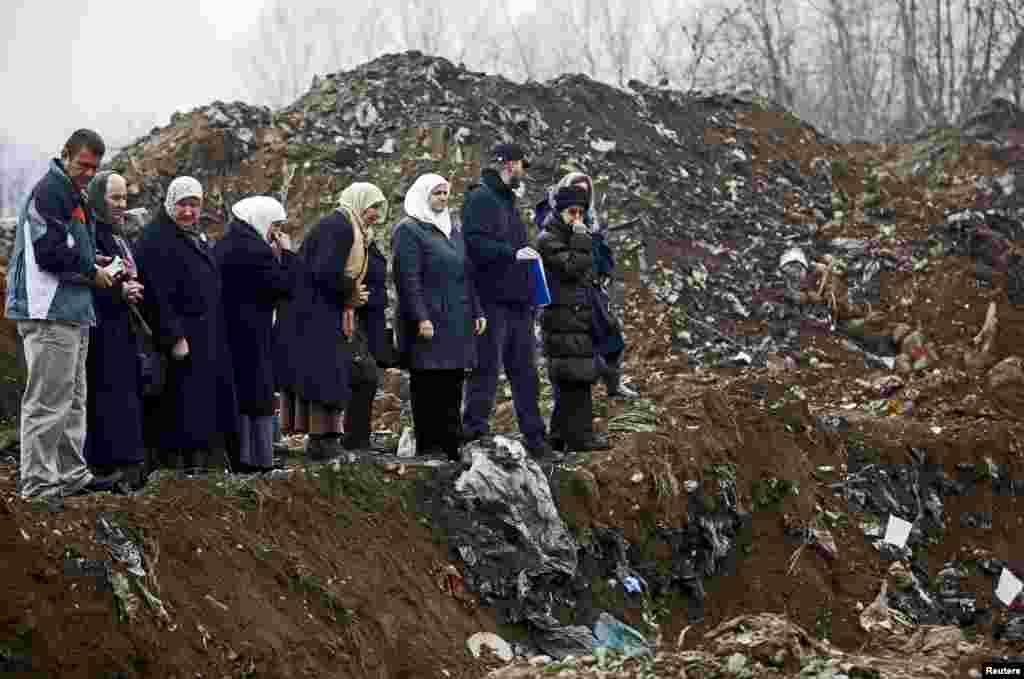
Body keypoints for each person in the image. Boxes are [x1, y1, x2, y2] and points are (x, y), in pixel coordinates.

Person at [4, 129, 123, 499]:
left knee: (72, 400)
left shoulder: (71, 193)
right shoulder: (51, 192)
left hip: (71, 310)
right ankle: (39, 484)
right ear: (66, 155)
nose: (89, 172)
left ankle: (71, 476)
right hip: (48, 311)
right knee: (48, 401)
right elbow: (49, 252)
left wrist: (95, 261)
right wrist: (93, 273)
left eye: (94, 167)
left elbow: (66, 248)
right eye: (84, 164)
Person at [133, 176, 239, 475]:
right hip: (180, 340)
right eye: (183, 204)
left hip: (202, 336)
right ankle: (177, 468)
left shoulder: (189, 235)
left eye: (194, 205)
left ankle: (199, 464)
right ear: (170, 203)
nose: (189, 212)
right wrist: (174, 335)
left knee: (197, 404)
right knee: (179, 405)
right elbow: (155, 293)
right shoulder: (157, 239)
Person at [273, 183, 383, 461]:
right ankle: (323, 441)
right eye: (373, 207)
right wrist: (351, 291)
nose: (376, 214)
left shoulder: (350, 227)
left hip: (326, 309)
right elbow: (323, 272)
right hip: (314, 313)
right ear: (358, 203)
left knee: (334, 375)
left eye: (379, 208)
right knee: (324, 376)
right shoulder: (340, 227)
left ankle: (327, 439)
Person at [462, 143, 556, 460]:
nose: (523, 172)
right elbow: (473, 244)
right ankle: (474, 432)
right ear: (507, 164)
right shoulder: (480, 198)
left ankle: (535, 437)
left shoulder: (507, 202)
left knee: (525, 372)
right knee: (486, 370)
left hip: (517, 303)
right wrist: (512, 253)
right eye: (521, 165)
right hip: (491, 301)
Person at [395, 174, 485, 460]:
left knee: (453, 381)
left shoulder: (451, 229)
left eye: (446, 193)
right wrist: (420, 317)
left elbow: (466, 274)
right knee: (428, 384)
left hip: (456, 320)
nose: (443, 198)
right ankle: (430, 446)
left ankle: (451, 443)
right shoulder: (409, 230)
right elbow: (408, 279)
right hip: (430, 320)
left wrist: (477, 310)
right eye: (437, 194)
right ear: (424, 196)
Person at [215, 196, 299, 473]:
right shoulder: (256, 250)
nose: (275, 232)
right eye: (273, 225)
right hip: (252, 333)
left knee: (239, 394)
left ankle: (237, 456)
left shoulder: (227, 242)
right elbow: (286, 286)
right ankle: (255, 458)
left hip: (229, 330)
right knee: (256, 395)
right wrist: (287, 254)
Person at [537, 172, 638, 400]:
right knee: (575, 348)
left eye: (585, 191)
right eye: (577, 189)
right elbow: (565, 259)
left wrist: (604, 270)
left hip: (591, 287)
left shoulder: (588, 218)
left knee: (611, 336)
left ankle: (613, 383)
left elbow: (599, 249)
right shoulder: (556, 217)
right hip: (568, 295)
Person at [83, 171, 148, 488]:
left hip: (122, 328)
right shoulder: (91, 234)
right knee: (105, 397)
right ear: (99, 198)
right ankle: (106, 467)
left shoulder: (117, 234)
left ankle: (127, 465)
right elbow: (87, 278)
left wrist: (132, 288)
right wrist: (118, 291)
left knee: (124, 396)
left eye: (125, 198)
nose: (122, 205)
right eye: (115, 198)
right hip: (100, 329)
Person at [537, 185, 609, 452]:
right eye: (572, 212)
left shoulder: (571, 235)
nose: (577, 218)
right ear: (560, 211)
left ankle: (559, 435)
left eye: (581, 212)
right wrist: (581, 238)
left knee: (576, 378)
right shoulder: (549, 239)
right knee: (574, 379)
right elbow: (570, 268)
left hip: (576, 318)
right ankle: (580, 438)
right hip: (562, 318)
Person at [342, 208, 393, 454]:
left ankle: (360, 437)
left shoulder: (368, 243)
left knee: (368, 380)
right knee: (363, 376)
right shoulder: (352, 243)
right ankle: (352, 438)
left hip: (371, 318)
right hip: (355, 318)